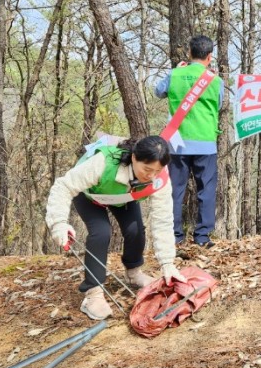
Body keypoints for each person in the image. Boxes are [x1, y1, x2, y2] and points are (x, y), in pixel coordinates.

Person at [45, 135, 187, 320]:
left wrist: (167, 264)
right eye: (147, 169)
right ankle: (93, 294)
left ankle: (133, 274)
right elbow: (63, 186)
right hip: (91, 195)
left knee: (135, 229)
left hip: (124, 197)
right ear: (134, 158)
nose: (151, 176)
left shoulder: (160, 179)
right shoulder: (104, 163)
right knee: (101, 232)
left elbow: (163, 220)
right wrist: (59, 223)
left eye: (157, 170)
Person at [155, 35, 223, 248]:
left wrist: (176, 70)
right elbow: (219, 105)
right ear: (210, 57)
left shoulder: (175, 74)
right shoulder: (215, 80)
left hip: (177, 142)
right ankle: (202, 237)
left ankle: (175, 236)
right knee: (207, 189)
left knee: (175, 190)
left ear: (189, 53)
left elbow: (158, 91)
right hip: (205, 142)